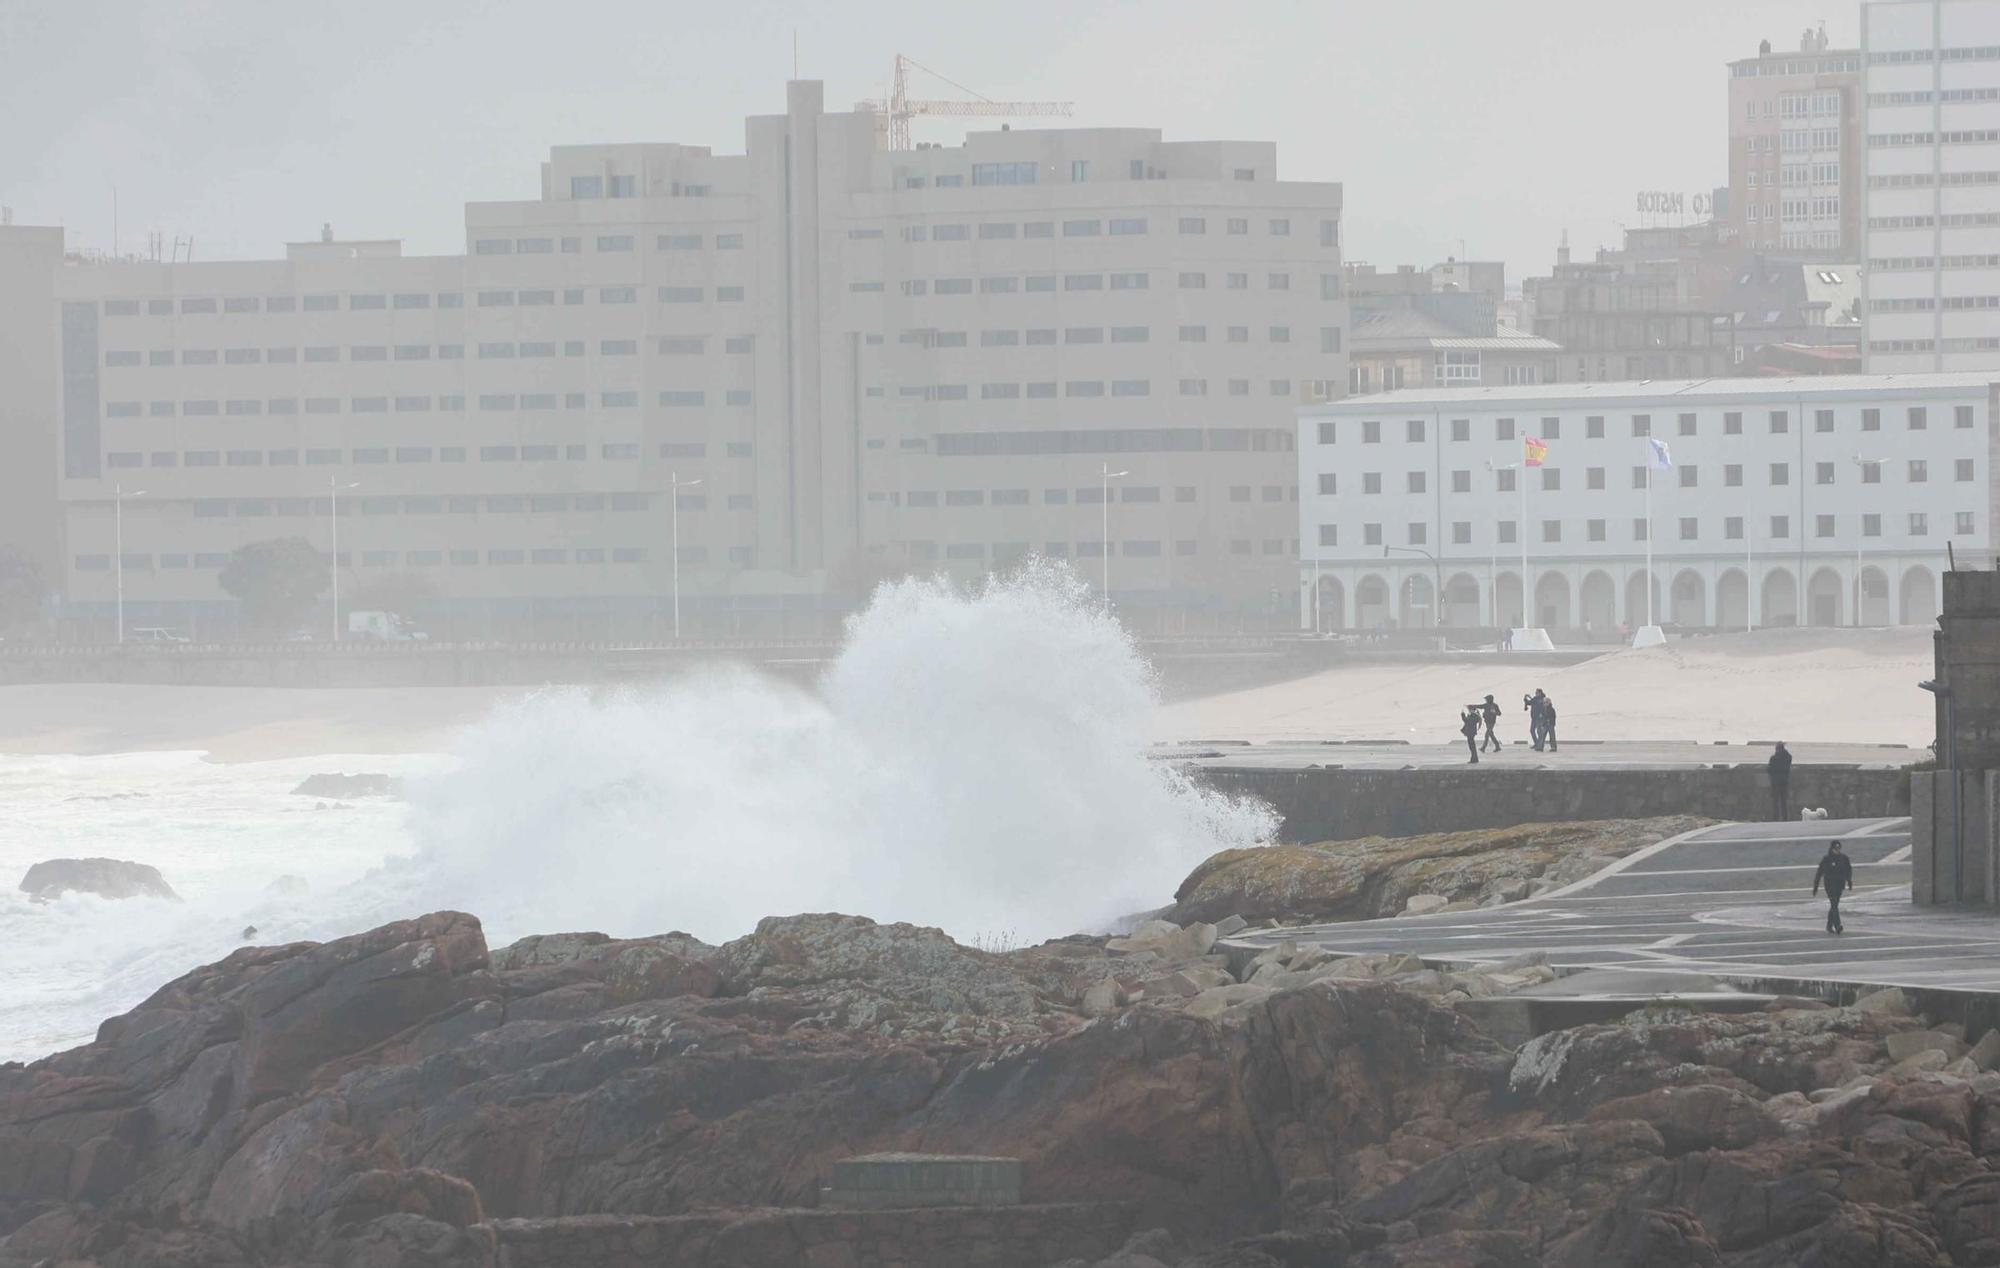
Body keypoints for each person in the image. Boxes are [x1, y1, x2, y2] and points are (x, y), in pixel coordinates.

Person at [1812, 839, 1853, 933]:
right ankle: (1837, 925)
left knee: (1834, 905)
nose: (1837, 850)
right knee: (1834, 904)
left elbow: (1848, 870)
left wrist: (1849, 881)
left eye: (1839, 849)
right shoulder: (1826, 859)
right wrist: (1815, 887)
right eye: (1835, 849)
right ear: (1832, 849)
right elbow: (1819, 873)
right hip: (1830, 885)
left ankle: (1829, 925)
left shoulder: (1844, 858)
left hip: (1839, 884)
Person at [1768, 741, 1793, 822]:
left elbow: (1770, 769)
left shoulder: (1774, 758)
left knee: (1775, 802)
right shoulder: (1788, 757)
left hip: (1775, 782)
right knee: (1784, 801)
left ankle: (1775, 818)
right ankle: (1785, 818)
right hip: (1784, 781)